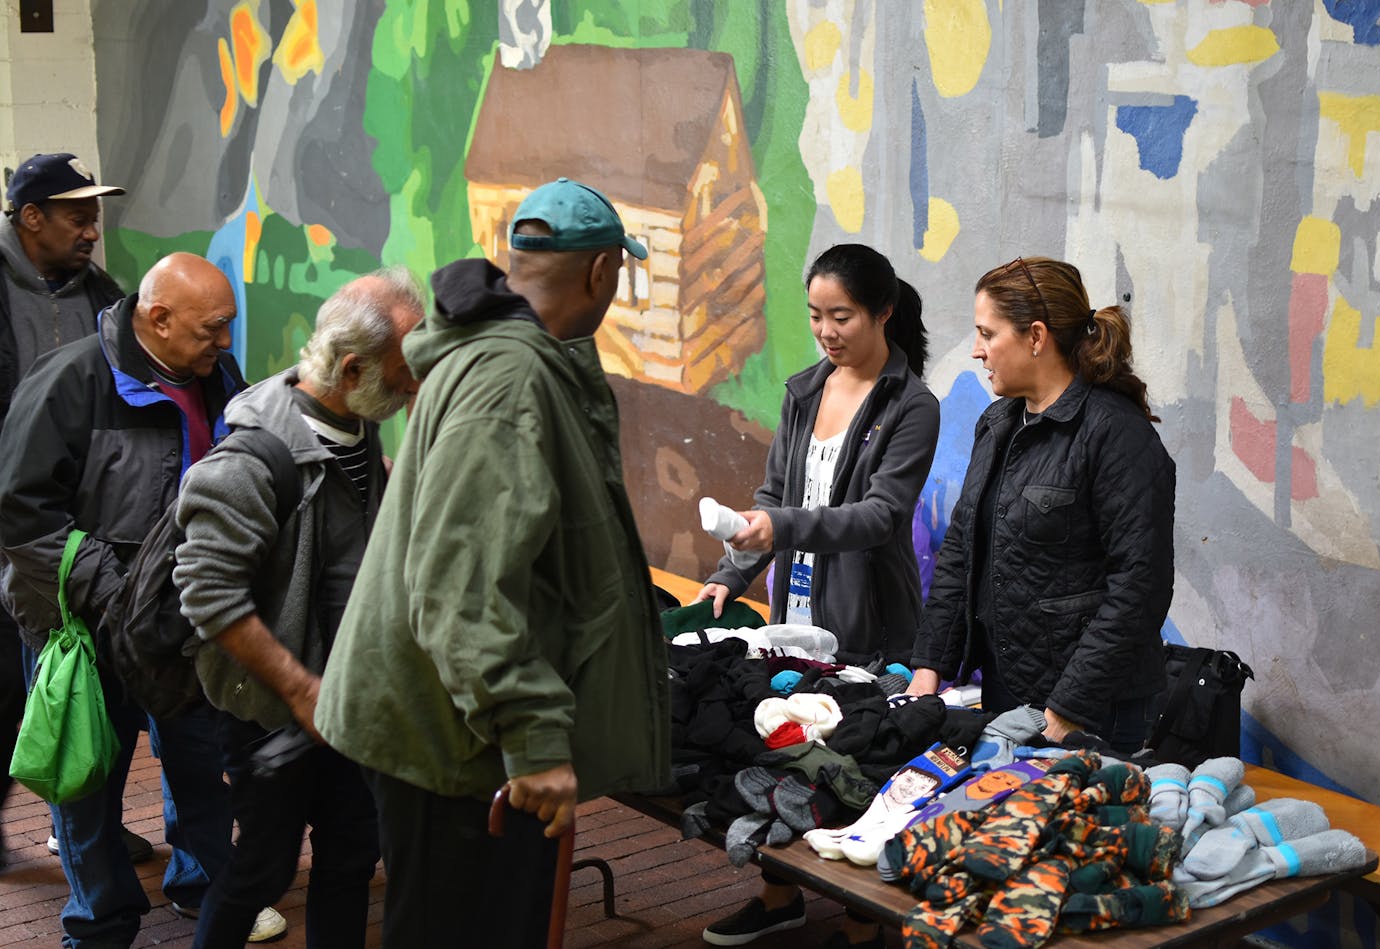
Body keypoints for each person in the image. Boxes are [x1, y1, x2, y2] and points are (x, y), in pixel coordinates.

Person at [314, 177, 672, 948]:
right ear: (603, 271)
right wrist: (533, 737)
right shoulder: (510, 377)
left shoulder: (503, 356)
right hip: (456, 743)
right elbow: (460, 585)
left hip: (452, 729)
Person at [0, 252, 285, 945]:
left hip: (180, 628)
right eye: (212, 328)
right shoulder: (69, 384)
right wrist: (122, 596)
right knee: (88, 789)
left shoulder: (216, 378)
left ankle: (200, 883)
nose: (225, 343)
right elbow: (22, 515)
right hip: (84, 627)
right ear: (158, 319)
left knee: (197, 764)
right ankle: (101, 923)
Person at [173, 269, 425, 948]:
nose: (413, 388)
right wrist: (300, 688)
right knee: (261, 869)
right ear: (351, 367)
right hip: (273, 711)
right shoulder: (252, 459)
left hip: (348, 702)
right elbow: (205, 591)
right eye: (405, 375)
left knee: (349, 856)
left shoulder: (356, 418)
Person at [697, 243, 939, 949]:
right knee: (782, 748)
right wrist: (731, 572)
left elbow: (880, 516)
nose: (827, 332)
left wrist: (782, 523)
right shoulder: (805, 389)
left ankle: (864, 924)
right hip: (793, 611)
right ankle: (780, 896)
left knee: (856, 766)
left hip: (868, 620)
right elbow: (774, 498)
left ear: (883, 312)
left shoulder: (911, 406)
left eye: (842, 316)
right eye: (815, 316)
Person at [907, 256, 1175, 750]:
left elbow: (1140, 586)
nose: (976, 351)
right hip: (1007, 691)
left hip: (1095, 709)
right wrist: (928, 671)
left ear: (1035, 337)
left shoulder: (1115, 434)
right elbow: (962, 553)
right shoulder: (996, 424)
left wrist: (1066, 710)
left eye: (988, 334)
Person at [0, 152, 138, 868]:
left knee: (74, 677)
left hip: (73, 521)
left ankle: (82, 818)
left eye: (95, 215)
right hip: (13, 517)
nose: (91, 229)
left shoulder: (102, 294)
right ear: (31, 218)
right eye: (77, 215)